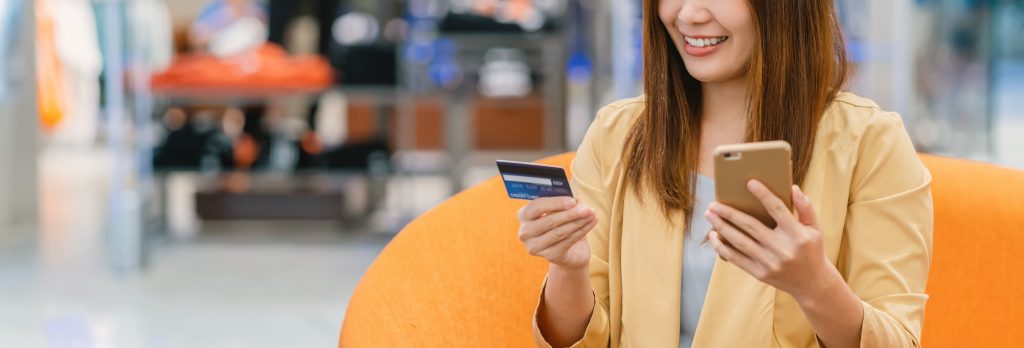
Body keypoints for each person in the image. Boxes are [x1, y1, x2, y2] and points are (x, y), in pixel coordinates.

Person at [517, 0, 933, 347]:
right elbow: (578, 340)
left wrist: (814, 285)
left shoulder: (870, 142)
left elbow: (896, 338)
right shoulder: (616, 134)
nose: (689, 14)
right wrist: (568, 268)